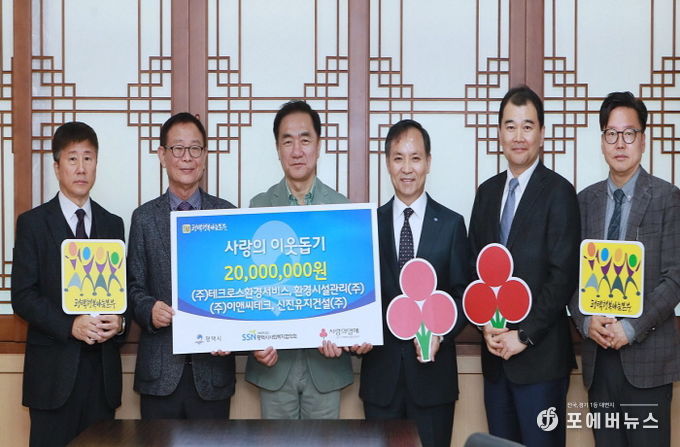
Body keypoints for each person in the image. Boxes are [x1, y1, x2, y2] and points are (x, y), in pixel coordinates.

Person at [468, 86, 580, 447]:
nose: (519, 136)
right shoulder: (487, 193)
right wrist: (485, 323)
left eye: (527, 126)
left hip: (540, 362)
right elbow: (474, 267)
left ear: (542, 134)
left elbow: (562, 277)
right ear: (499, 133)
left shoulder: (559, 192)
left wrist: (523, 335)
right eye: (510, 126)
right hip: (495, 360)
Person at [569, 91, 680, 446]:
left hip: (648, 363)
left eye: (629, 133)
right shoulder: (584, 202)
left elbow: (675, 278)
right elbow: (569, 276)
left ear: (643, 140)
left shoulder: (668, 198)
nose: (620, 143)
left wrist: (631, 327)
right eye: (611, 134)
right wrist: (584, 320)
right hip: (598, 360)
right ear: (602, 141)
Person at [11, 122, 126, 446]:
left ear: (96, 164)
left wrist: (120, 323)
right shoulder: (33, 223)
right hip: (52, 376)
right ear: (56, 166)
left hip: (101, 377)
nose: (81, 168)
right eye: (72, 158)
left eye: (88, 158)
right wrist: (69, 326)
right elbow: (23, 295)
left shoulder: (113, 224)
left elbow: (123, 293)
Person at [359, 119, 470, 447]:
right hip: (381, 380)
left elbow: (462, 294)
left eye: (415, 158)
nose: (407, 168)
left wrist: (441, 332)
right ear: (387, 164)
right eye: (398, 158)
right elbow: (360, 294)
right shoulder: (370, 225)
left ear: (428, 162)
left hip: (433, 380)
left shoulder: (451, 224)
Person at [245, 100, 354, 419]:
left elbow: (350, 285)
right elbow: (247, 287)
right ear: (277, 149)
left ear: (319, 145)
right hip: (274, 364)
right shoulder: (257, 208)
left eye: (305, 140)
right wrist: (253, 341)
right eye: (287, 141)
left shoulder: (343, 209)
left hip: (327, 365)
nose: (296, 151)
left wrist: (347, 334)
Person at [128, 112, 235, 419]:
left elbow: (238, 288)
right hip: (160, 373)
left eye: (195, 148)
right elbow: (133, 286)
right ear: (162, 155)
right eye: (178, 148)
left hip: (213, 371)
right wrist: (149, 309)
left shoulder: (226, 214)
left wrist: (232, 333)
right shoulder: (144, 218)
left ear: (205, 155)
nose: (187, 158)